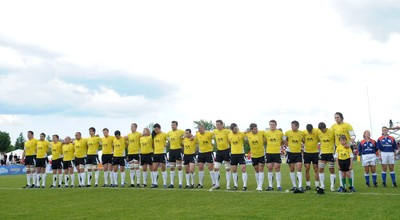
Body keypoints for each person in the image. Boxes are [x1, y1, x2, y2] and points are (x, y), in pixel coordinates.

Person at [331, 112, 356, 189]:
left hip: (347, 148)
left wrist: (350, 144)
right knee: (340, 169)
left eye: (337, 117)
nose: (336, 119)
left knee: (349, 168)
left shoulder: (347, 125)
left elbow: (353, 135)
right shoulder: (333, 126)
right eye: (335, 117)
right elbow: (332, 138)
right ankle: (342, 186)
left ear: (341, 117)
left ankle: (351, 186)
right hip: (338, 149)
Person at [284, 121, 305, 193]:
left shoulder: (301, 133)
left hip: (298, 153)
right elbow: (284, 140)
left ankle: (300, 186)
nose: (292, 127)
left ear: (297, 126)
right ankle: (294, 185)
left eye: (293, 126)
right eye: (291, 125)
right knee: (292, 169)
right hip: (290, 153)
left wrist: (302, 147)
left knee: (299, 168)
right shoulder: (287, 132)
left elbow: (304, 140)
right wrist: (288, 146)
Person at [264, 120, 284, 191]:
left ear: (276, 125)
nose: (272, 125)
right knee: (269, 168)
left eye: (273, 124)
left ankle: (278, 185)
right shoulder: (266, 133)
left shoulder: (280, 133)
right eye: (271, 124)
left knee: (277, 168)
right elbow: (264, 141)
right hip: (269, 152)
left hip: (276, 153)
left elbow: (283, 141)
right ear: (269, 125)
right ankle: (270, 185)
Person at [245, 123, 266, 191]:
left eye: (256, 128)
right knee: (256, 169)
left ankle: (260, 186)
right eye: (254, 129)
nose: (256, 130)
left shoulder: (262, 132)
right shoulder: (248, 134)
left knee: (261, 169)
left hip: (261, 154)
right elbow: (242, 135)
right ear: (251, 130)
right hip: (254, 155)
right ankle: (258, 184)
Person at [317, 122, 336, 193]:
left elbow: (336, 140)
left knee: (331, 169)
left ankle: (332, 186)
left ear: (325, 128)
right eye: (321, 130)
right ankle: (322, 185)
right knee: (321, 169)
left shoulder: (331, 131)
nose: (322, 131)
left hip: (330, 153)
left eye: (323, 129)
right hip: (323, 153)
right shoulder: (319, 132)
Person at [228, 123, 247, 191]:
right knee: (234, 170)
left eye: (237, 128)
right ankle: (236, 185)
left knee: (243, 169)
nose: (236, 130)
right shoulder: (229, 135)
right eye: (235, 129)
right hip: (233, 154)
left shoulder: (242, 134)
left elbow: (246, 140)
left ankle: (244, 185)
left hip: (241, 154)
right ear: (232, 129)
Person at [212, 119, 231, 190]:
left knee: (227, 168)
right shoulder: (215, 131)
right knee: (216, 168)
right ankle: (217, 184)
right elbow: (208, 134)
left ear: (222, 125)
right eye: (216, 124)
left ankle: (228, 185)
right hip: (219, 151)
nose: (217, 126)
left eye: (218, 124)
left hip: (226, 150)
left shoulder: (227, 131)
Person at [167, 121, 185, 188]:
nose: (172, 126)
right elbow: (166, 138)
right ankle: (172, 183)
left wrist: (183, 139)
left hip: (178, 150)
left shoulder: (180, 131)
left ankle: (180, 183)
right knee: (172, 167)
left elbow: (186, 135)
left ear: (176, 125)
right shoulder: (169, 133)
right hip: (171, 151)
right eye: (171, 125)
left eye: (174, 125)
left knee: (179, 167)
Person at [303, 124, 320, 190]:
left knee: (316, 168)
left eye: (310, 131)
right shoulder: (304, 132)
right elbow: (302, 140)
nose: (310, 132)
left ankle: (317, 185)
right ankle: (308, 185)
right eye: (308, 131)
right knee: (307, 168)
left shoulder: (316, 131)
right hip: (307, 153)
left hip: (315, 152)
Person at [151, 124, 168, 188]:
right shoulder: (154, 135)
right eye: (155, 130)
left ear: (160, 128)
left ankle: (164, 183)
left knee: (163, 168)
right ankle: (155, 183)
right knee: (154, 168)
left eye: (157, 129)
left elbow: (170, 140)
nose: (156, 131)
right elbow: (152, 144)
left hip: (162, 153)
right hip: (155, 153)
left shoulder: (164, 134)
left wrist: (166, 144)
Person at [126, 123, 142, 187]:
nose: (131, 128)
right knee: (131, 168)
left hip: (136, 152)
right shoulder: (129, 135)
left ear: (136, 128)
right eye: (131, 126)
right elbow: (125, 140)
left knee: (137, 167)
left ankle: (138, 182)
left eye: (133, 127)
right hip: (130, 153)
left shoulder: (139, 134)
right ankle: (132, 182)